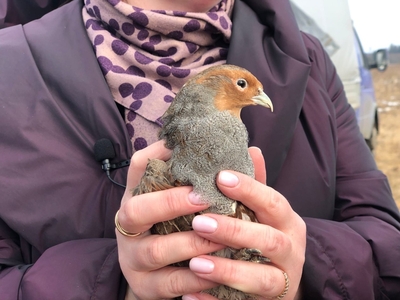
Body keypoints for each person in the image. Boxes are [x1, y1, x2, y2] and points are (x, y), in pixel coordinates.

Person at [0, 0, 399, 299]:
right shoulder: (9, 71)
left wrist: (302, 269)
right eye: (246, 87)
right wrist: (114, 283)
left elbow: (386, 243)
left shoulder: (307, 58)